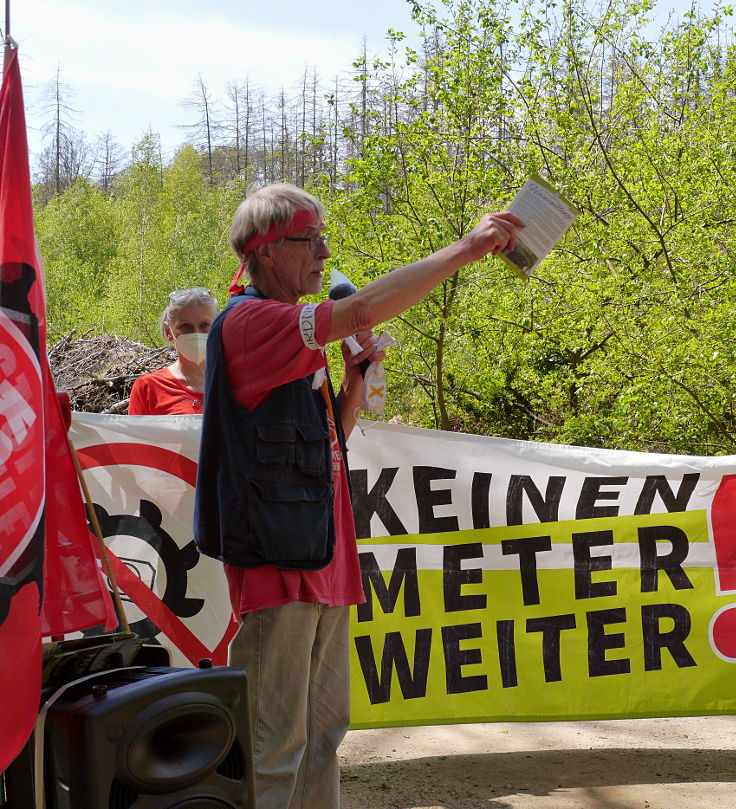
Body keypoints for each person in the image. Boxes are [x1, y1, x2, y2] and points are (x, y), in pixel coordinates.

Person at [193, 183, 523, 809]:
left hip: (322, 555)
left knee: (323, 735)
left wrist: (352, 380)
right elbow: (364, 309)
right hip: (280, 568)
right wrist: (467, 248)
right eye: (307, 240)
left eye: (324, 238)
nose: (322, 253)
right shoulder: (250, 322)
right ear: (263, 251)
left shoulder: (294, 336)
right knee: (277, 742)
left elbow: (332, 439)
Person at [128, 287, 218, 415]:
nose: (196, 333)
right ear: (168, 331)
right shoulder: (148, 388)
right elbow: (136, 435)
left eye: (205, 324)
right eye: (185, 326)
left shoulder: (237, 384)